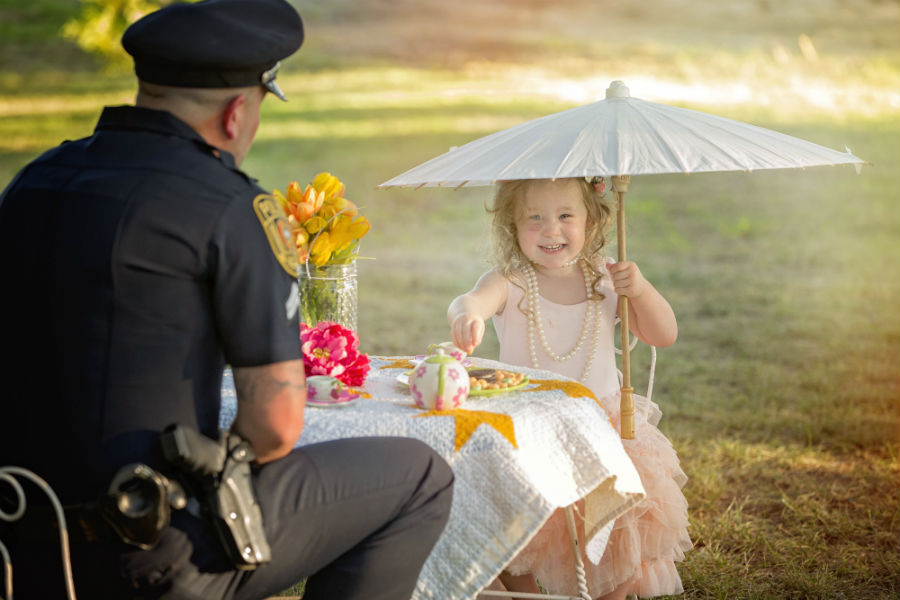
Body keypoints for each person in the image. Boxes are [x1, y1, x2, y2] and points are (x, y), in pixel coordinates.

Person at [0, 1, 453, 598]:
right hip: (150, 554)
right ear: (238, 112)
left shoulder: (34, 181)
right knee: (420, 476)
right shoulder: (229, 208)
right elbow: (275, 426)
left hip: (21, 541)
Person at [447, 177, 691, 599]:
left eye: (565, 216)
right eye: (534, 218)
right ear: (512, 227)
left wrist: (642, 290)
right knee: (504, 524)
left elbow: (663, 334)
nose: (550, 230)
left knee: (618, 528)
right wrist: (468, 315)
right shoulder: (510, 281)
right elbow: (469, 300)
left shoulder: (608, 279)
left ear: (591, 224)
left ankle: (609, 591)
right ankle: (525, 591)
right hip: (528, 428)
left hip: (601, 430)